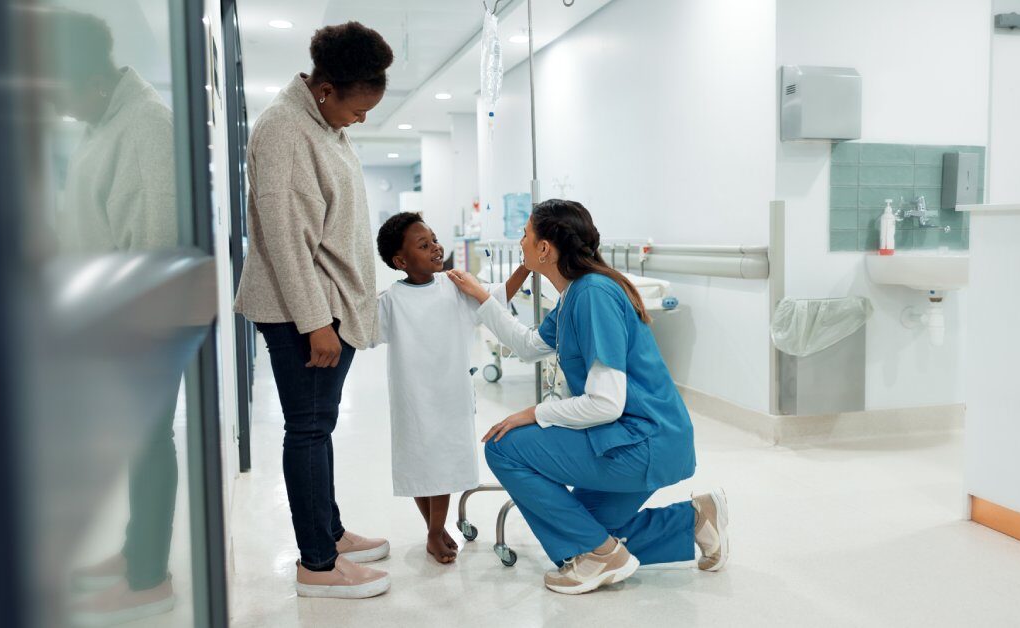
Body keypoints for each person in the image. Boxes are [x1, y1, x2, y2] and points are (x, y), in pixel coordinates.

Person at [446, 199, 730, 595]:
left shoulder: (593, 294)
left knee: (504, 446)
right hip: (635, 438)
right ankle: (694, 519)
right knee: (587, 531)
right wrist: (481, 296)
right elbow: (528, 346)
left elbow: (605, 403)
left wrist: (534, 413)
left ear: (545, 249)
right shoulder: (573, 295)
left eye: (526, 235)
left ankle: (600, 556)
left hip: (642, 442)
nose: (521, 242)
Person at [233, 21, 393, 599]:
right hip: (305, 311)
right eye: (360, 106)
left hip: (327, 304)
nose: (363, 118)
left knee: (318, 427)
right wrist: (315, 323)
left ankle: (329, 530)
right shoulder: (283, 130)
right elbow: (282, 237)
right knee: (307, 430)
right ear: (326, 90)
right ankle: (317, 565)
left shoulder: (320, 123)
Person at [41, 8, 180, 624]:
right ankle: (133, 554)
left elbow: (152, 240)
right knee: (135, 443)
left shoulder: (147, 125)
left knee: (149, 443)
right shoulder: (103, 120)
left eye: (60, 92)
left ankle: (148, 578)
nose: (56, 106)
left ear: (91, 77)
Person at [371, 212, 529, 564]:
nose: (435, 248)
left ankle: (434, 531)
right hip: (412, 398)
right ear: (401, 261)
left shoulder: (455, 286)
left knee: (440, 466)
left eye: (434, 239)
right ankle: (434, 530)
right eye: (423, 245)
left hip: (449, 396)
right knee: (419, 467)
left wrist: (527, 268)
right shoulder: (391, 300)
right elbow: (365, 332)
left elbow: (498, 296)